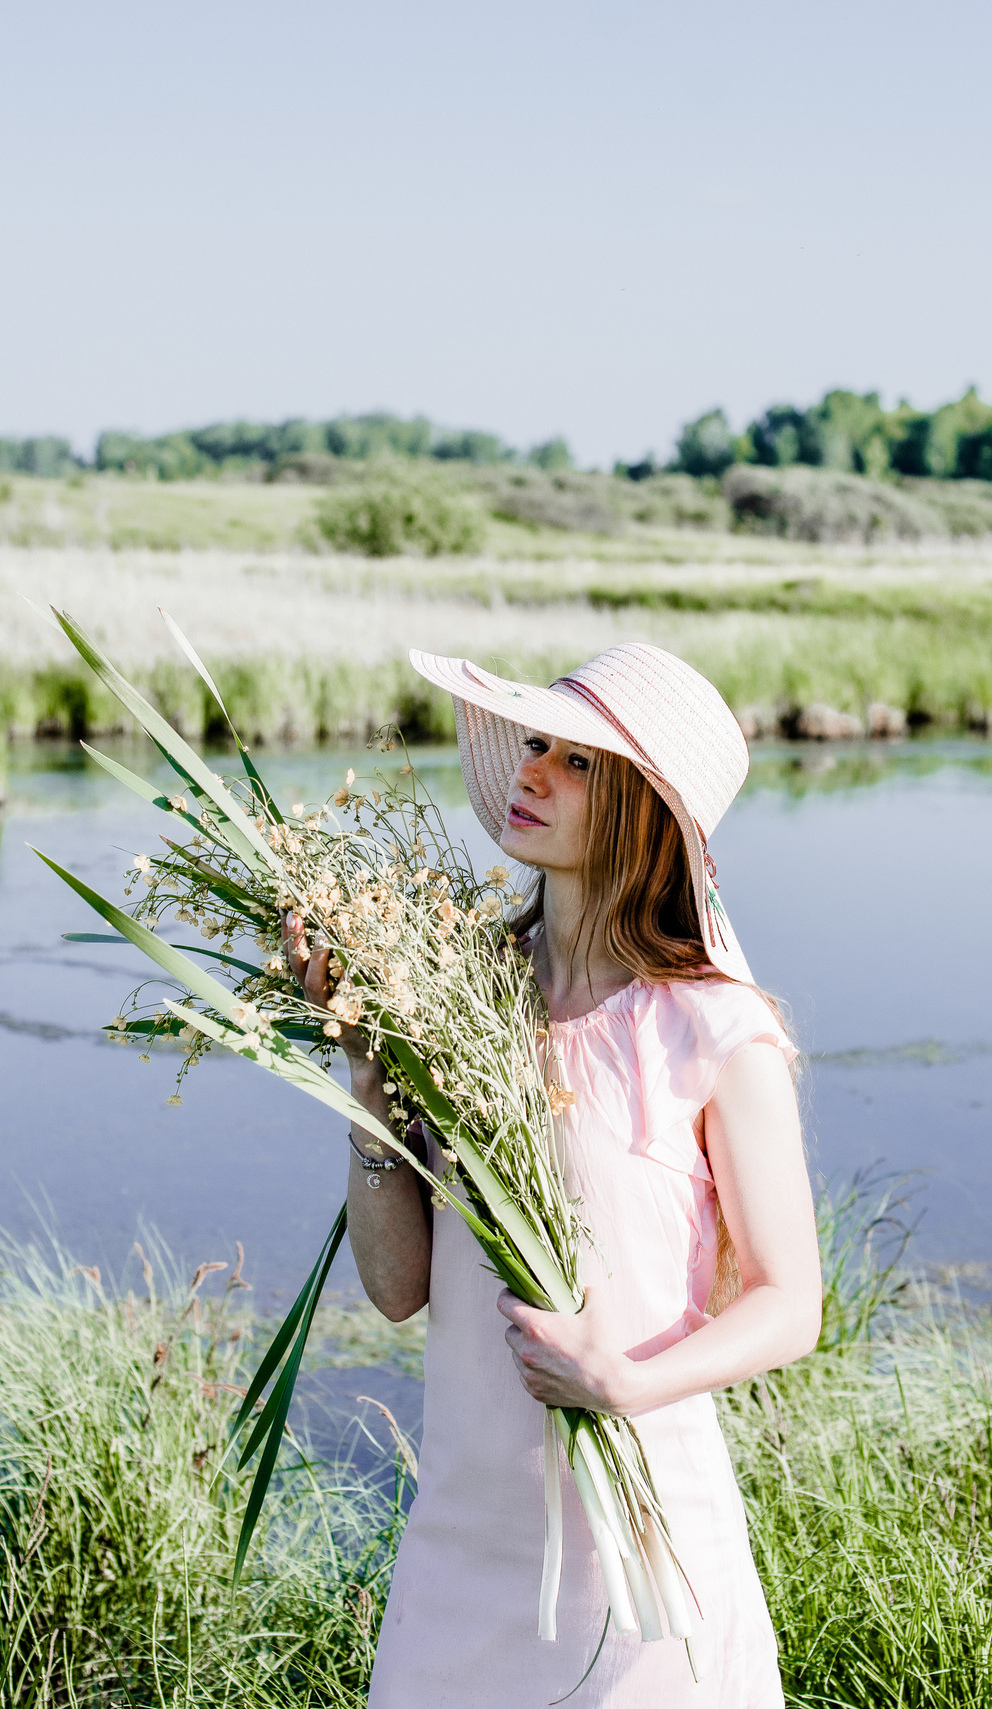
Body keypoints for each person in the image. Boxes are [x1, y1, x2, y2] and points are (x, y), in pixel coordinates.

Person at [294, 643, 818, 1707]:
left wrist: (625, 1381)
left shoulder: (714, 1026)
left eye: (576, 762)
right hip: (460, 1541)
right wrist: (366, 1067)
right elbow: (400, 1289)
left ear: (643, 806)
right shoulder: (459, 995)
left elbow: (788, 1301)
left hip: (637, 1562)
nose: (531, 772)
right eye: (535, 745)